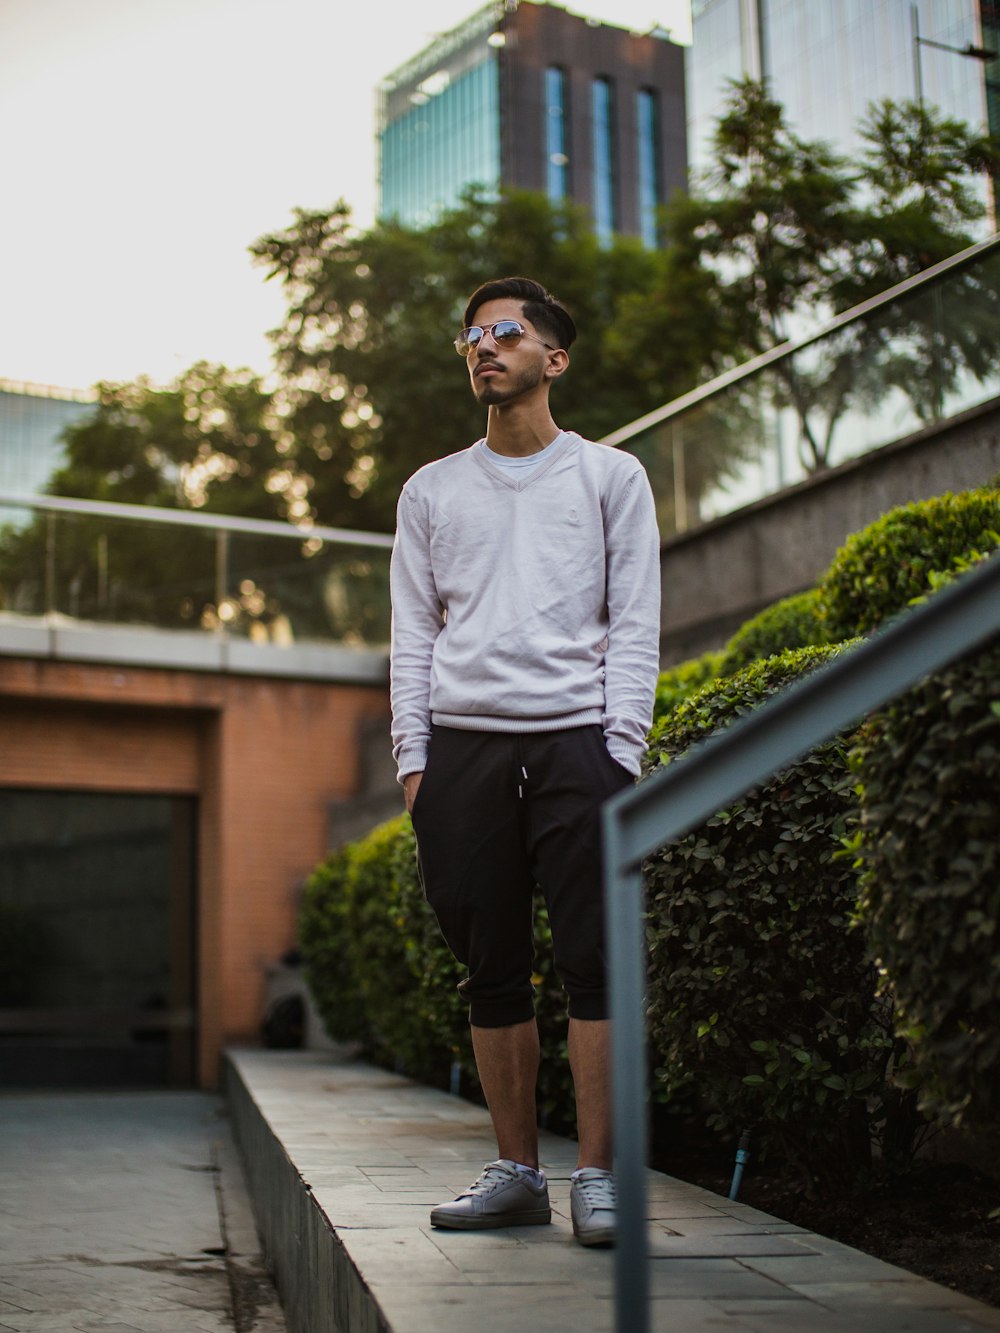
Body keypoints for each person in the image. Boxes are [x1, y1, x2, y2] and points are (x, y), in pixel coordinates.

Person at [389, 276, 660, 1247]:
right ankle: (515, 1172)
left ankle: (597, 1178)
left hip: (576, 742)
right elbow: (411, 633)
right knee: (489, 970)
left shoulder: (609, 478)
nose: (482, 347)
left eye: (506, 332)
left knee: (594, 963)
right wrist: (414, 763)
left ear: (554, 358)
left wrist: (618, 750)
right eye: (470, 336)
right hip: (459, 750)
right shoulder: (429, 490)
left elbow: (634, 622)